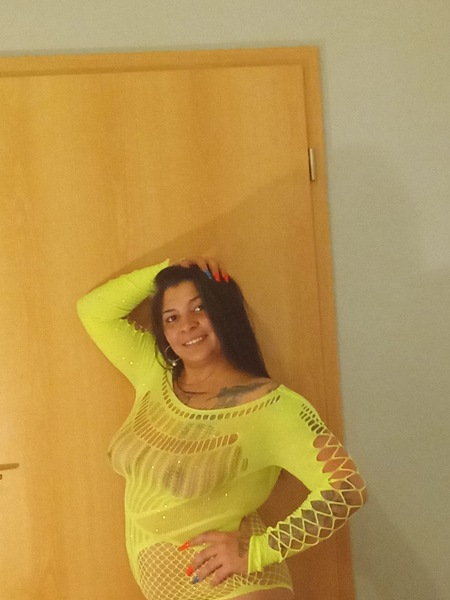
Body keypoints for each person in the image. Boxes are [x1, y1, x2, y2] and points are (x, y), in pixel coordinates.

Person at [77, 256, 367, 600]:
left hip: (238, 589)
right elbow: (94, 311)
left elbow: (347, 488)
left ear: (224, 312)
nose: (187, 325)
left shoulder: (271, 406)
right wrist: (166, 270)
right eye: (172, 317)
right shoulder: (153, 373)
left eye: (200, 308)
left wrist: (259, 551)